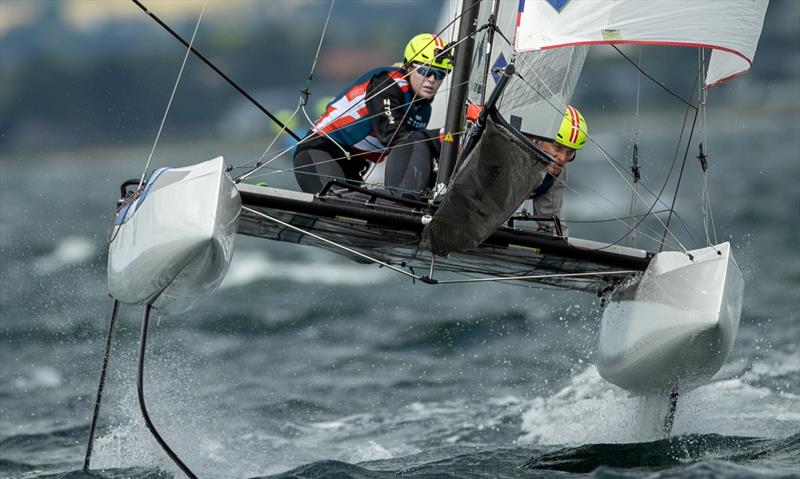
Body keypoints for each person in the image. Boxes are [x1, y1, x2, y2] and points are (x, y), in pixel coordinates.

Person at [293, 33, 453, 196]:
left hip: (354, 166)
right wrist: (442, 135)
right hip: (321, 151)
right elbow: (394, 136)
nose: (432, 79)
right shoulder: (388, 84)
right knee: (336, 204)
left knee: (357, 213)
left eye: (440, 74)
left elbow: (409, 152)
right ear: (409, 66)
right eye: (425, 71)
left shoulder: (424, 109)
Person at [528, 105, 588, 233]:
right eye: (557, 148)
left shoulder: (557, 171)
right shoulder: (514, 155)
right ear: (538, 139)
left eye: (570, 152)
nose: (562, 158)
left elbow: (552, 224)